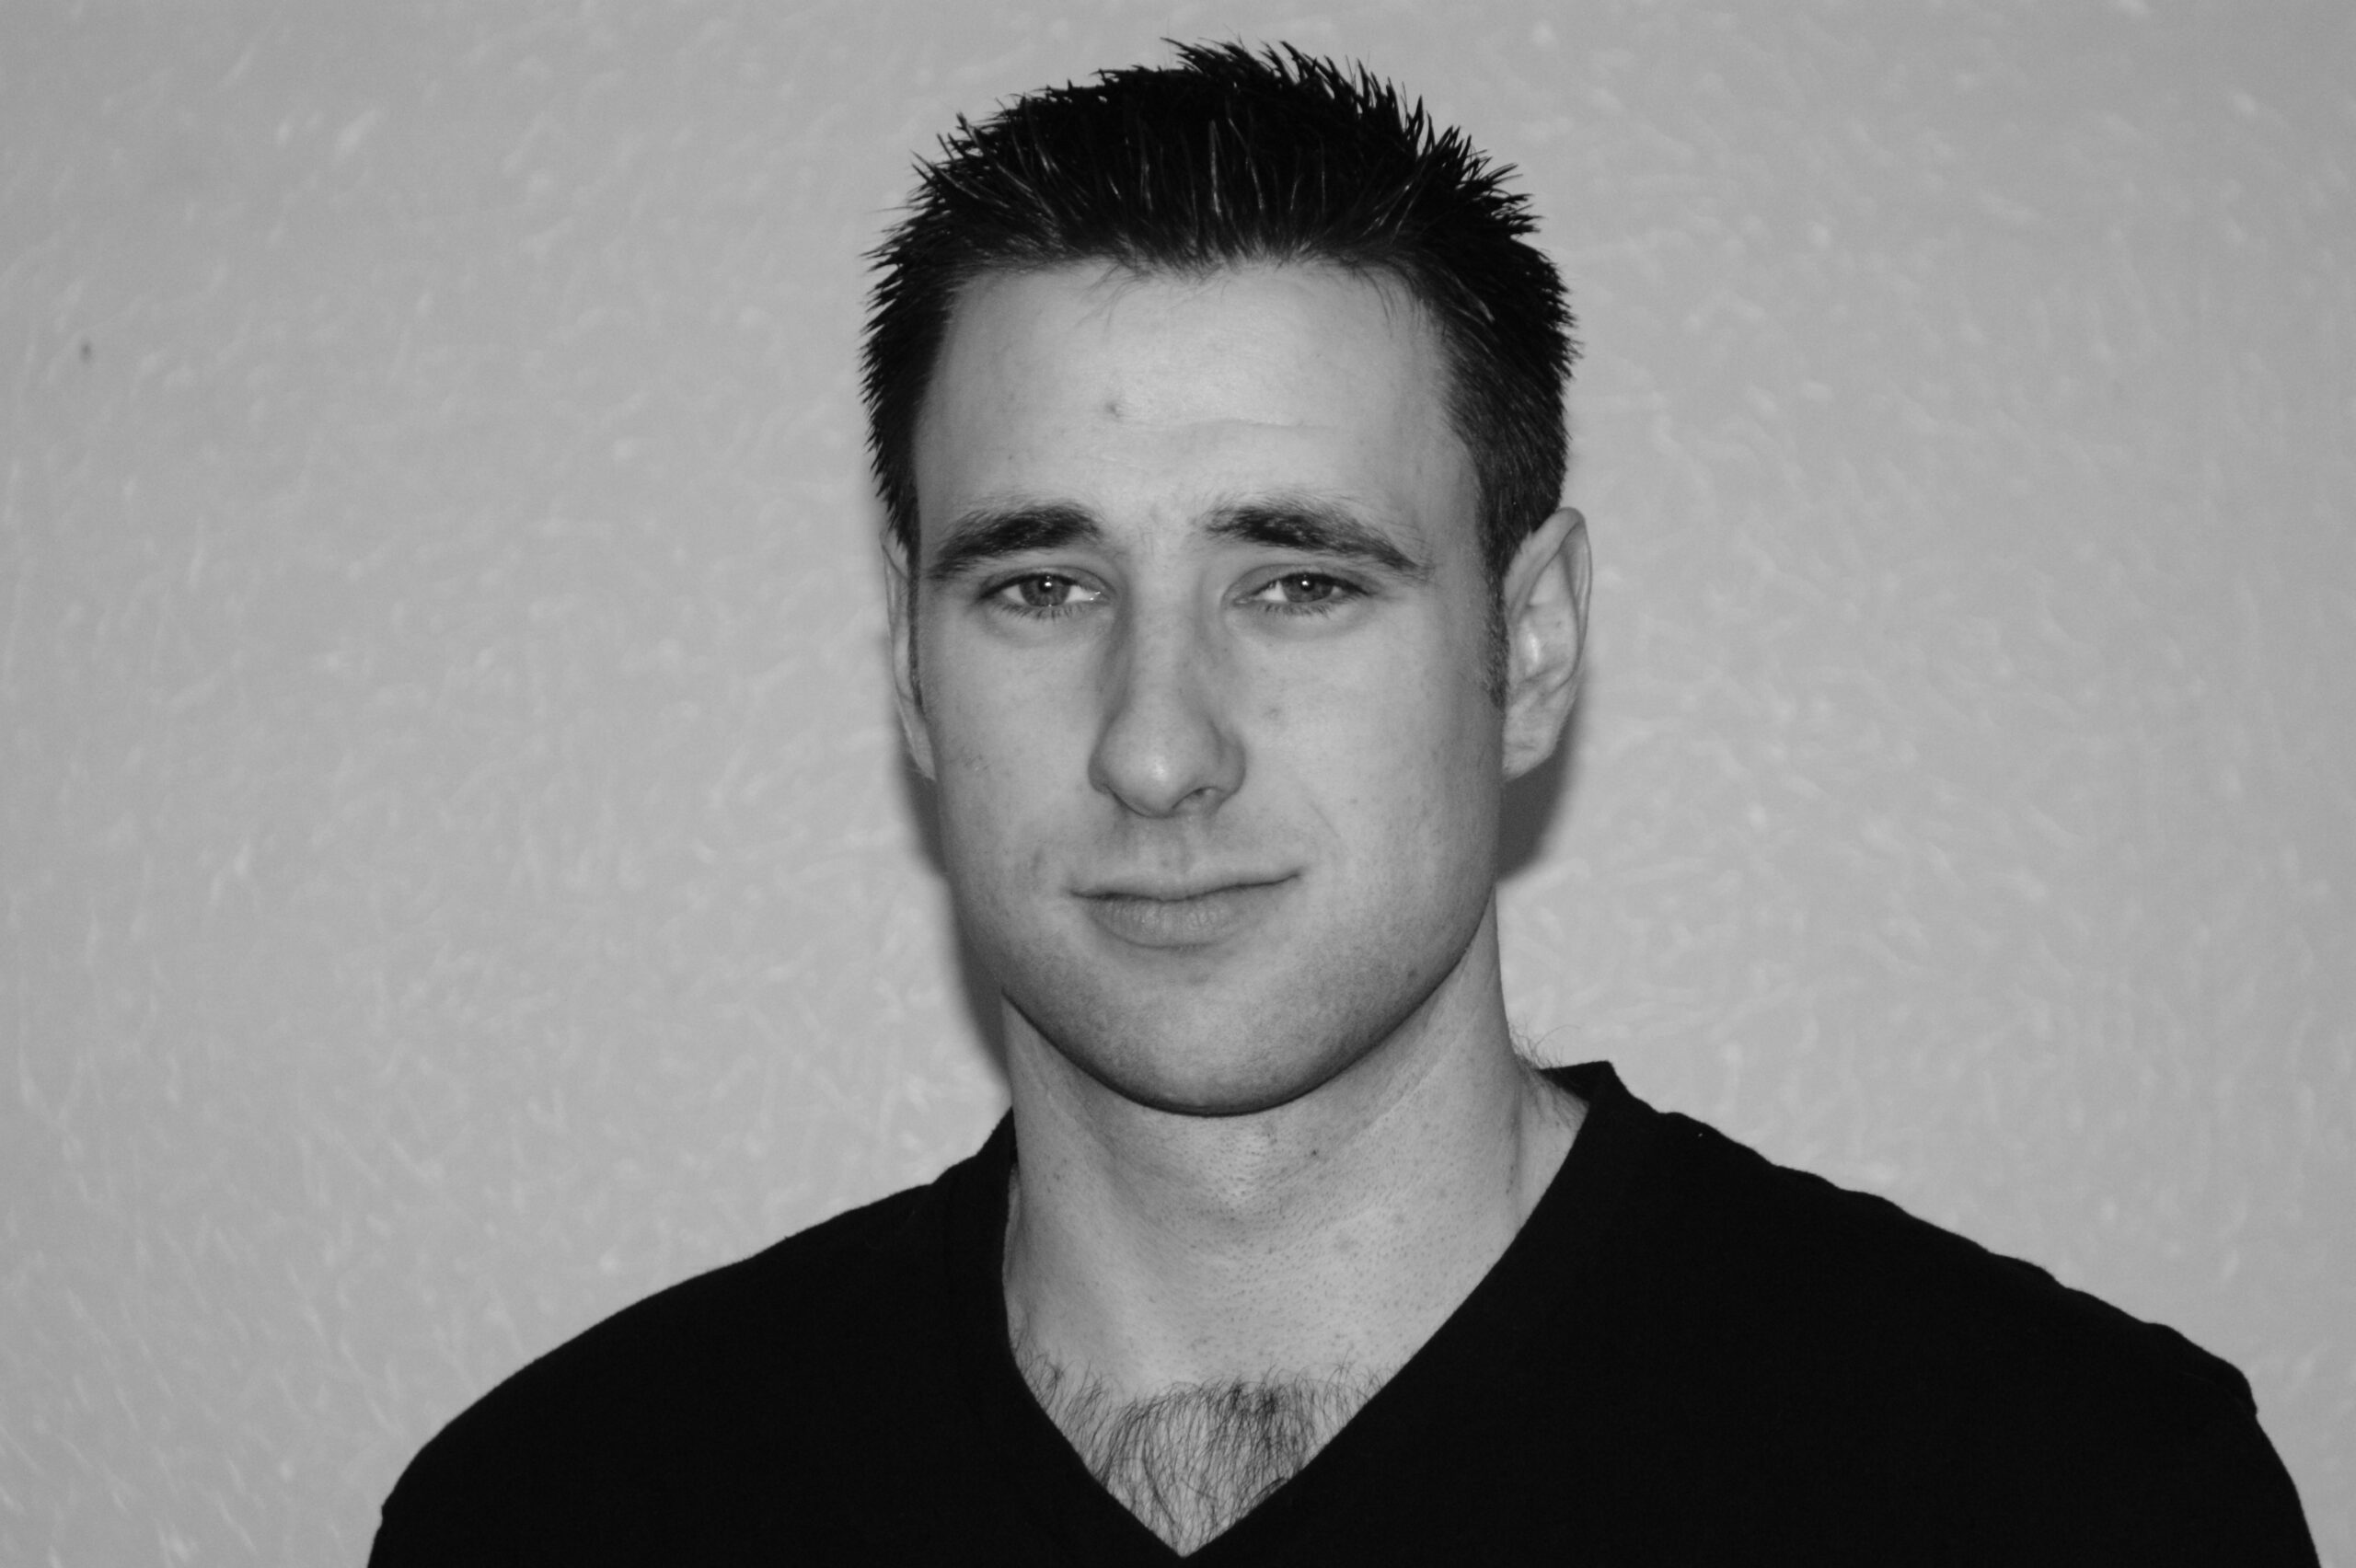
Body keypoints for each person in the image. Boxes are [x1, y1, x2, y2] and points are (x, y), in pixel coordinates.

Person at [370, 43, 2315, 1564]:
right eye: (1039, 587)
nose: (1156, 750)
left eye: (1298, 584)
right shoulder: (563, 1512)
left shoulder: (2061, 1495)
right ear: (909, 663)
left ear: (1529, 644)